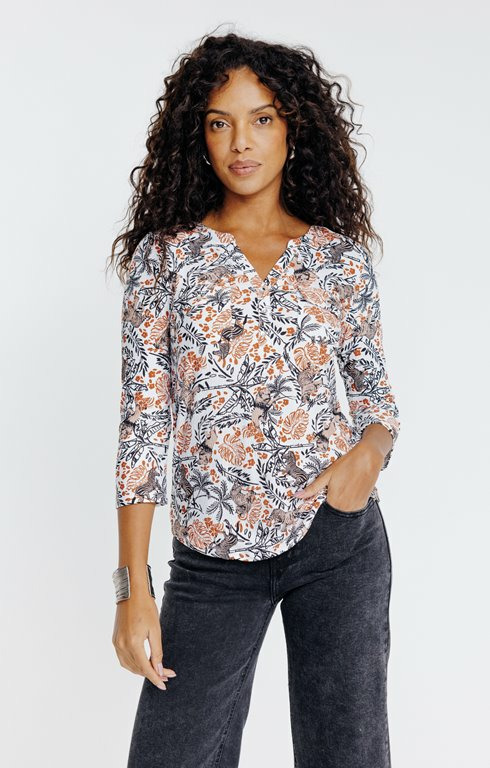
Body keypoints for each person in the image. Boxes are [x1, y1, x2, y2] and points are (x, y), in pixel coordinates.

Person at [109, 30, 401, 768]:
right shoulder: (166, 259)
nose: (241, 141)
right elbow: (143, 427)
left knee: (348, 754)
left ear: (293, 128)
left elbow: (376, 398)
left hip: (337, 544)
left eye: (262, 118)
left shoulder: (338, 260)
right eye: (220, 122)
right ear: (198, 137)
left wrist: (369, 453)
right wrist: (133, 590)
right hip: (212, 558)